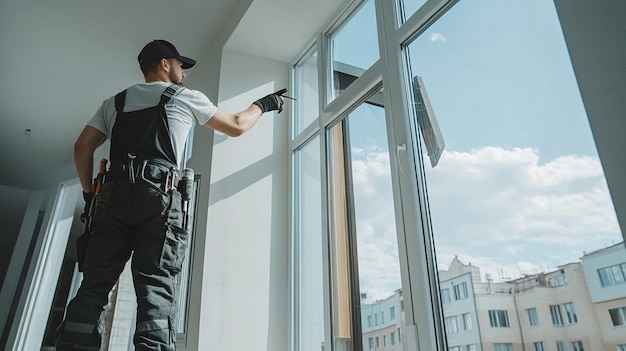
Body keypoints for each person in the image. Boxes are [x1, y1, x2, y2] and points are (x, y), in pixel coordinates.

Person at [56, 39, 284, 351]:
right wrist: (264, 104)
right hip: (159, 196)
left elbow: (82, 146)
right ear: (165, 64)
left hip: (113, 196)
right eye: (180, 66)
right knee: (155, 286)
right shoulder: (184, 97)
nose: (184, 73)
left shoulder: (114, 103)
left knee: (94, 284)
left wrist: (89, 194)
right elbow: (235, 125)